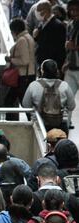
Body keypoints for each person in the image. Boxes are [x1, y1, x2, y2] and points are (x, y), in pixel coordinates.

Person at [22, 59, 75, 133]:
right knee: (60, 144)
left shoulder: (33, 85)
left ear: (42, 71)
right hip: (60, 126)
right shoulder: (64, 85)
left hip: (40, 125)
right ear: (57, 71)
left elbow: (25, 105)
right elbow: (71, 106)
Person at [4, 18, 36, 119]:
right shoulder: (28, 37)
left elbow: (24, 61)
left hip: (22, 76)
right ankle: (32, 120)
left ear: (15, 30)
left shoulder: (22, 40)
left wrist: (11, 59)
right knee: (19, 100)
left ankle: (14, 121)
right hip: (28, 74)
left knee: (13, 101)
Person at [33, 1, 67, 71]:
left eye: (39, 11)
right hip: (41, 63)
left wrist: (58, 67)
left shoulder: (58, 25)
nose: (37, 13)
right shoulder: (41, 24)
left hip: (52, 65)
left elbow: (60, 49)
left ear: (45, 11)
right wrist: (36, 37)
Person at [64, 0, 79, 130]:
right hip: (71, 67)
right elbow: (68, 47)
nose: (74, 13)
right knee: (67, 99)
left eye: (76, 10)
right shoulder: (70, 25)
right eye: (72, 10)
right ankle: (66, 126)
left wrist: (75, 47)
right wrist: (67, 62)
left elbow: (71, 46)